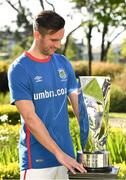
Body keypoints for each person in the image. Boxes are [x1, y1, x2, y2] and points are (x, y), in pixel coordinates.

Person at [8, 10, 86, 180]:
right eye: (53, 40)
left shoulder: (63, 63)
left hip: (68, 159)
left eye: (60, 39)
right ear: (37, 35)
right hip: (37, 163)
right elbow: (30, 117)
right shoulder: (19, 69)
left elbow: (78, 104)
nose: (58, 45)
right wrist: (58, 153)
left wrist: (93, 136)